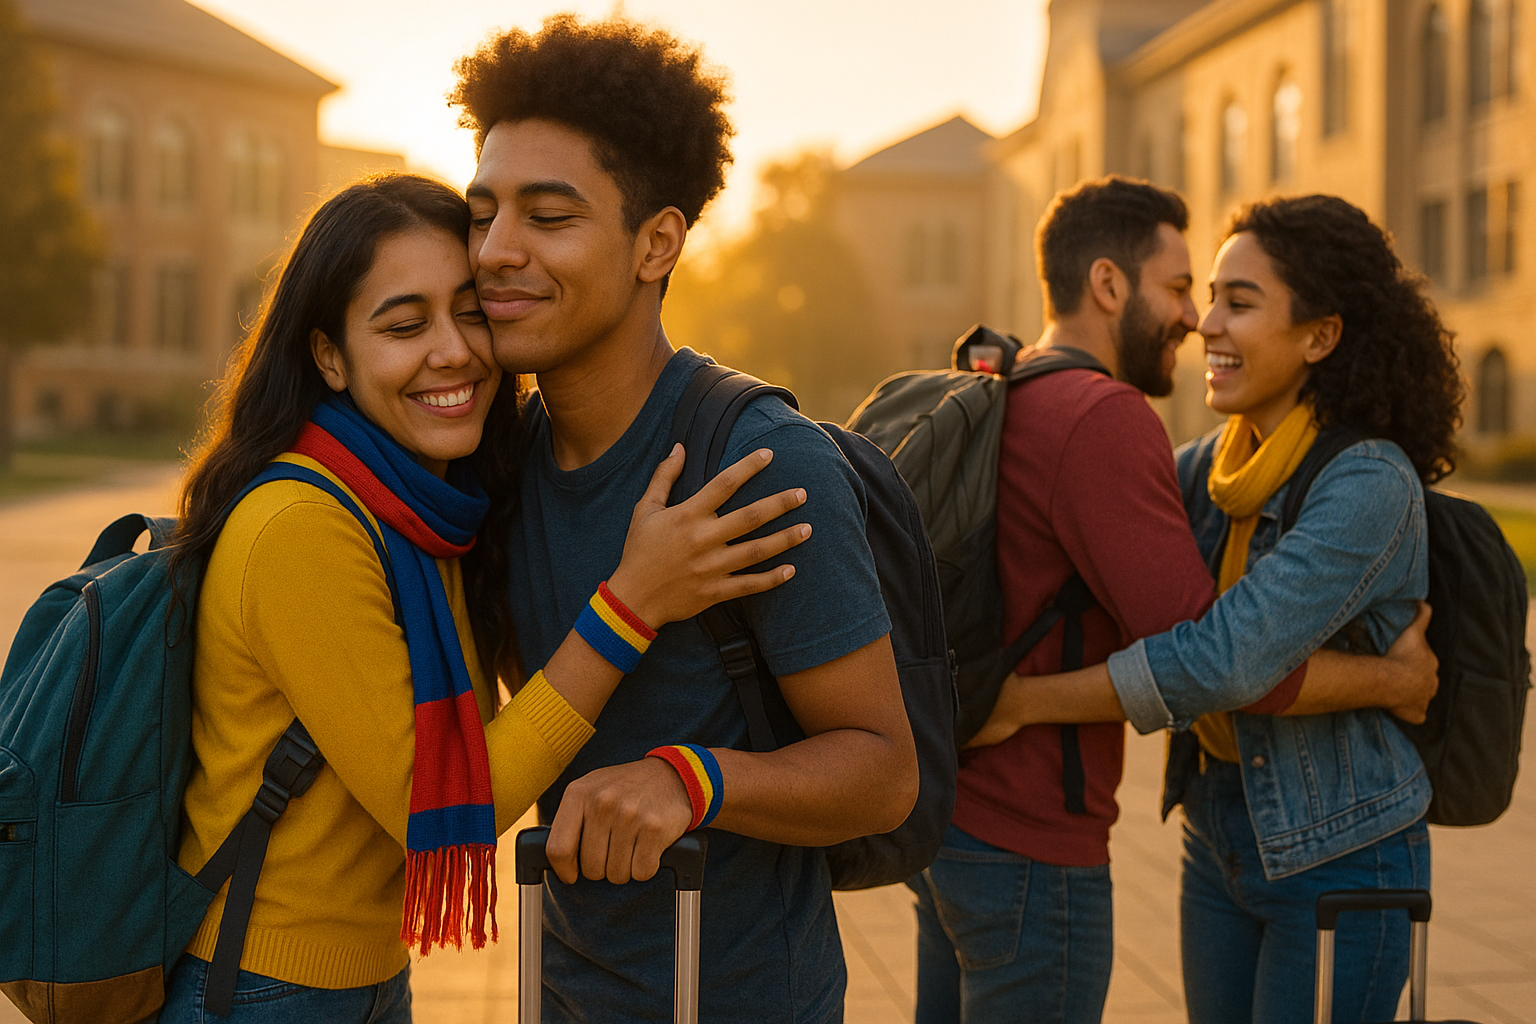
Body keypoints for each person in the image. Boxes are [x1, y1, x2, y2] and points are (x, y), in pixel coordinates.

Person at [160, 173, 812, 1022]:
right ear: (328, 355)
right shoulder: (302, 527)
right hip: (262, 989)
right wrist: (632, 604)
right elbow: (438, 805)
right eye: (403, 325)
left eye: (469, 311)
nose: (454, 351)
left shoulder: (421, 511)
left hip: (351, 980)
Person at [449, 15, 919, 1022]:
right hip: (562, 987)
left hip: (743, 996)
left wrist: (691, 778)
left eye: (549, 217)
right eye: (483, 212)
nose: (495, 250)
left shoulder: (754, 462)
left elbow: (883, 772)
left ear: (657, 241)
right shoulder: (503, 460)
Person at [912, 178, 1439, 1024]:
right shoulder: (1201, 470)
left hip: (1340, 844)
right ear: (1110, 285)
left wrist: (1021, 702)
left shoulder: (1369, 483)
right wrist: (1389, 680)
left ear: (1321, 335)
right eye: (1198, 295)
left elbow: (1224, 660)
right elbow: (1211, 653)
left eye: (1238, 302)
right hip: (1219, 834)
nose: (1206, 324)